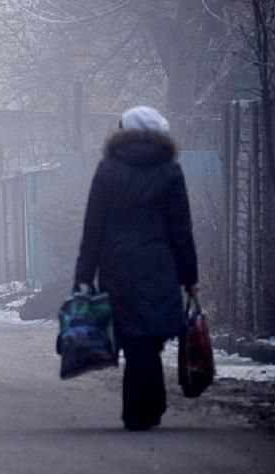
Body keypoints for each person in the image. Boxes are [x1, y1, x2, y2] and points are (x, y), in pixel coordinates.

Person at [74, 105, 198, 431]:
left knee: (131, 337)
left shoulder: (108, 169)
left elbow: (93, 226)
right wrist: (190, 278)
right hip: (159, 265)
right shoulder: (170, 171)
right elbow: (181, 229)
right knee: (151, 338)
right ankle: (150, 407)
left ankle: (137, 410)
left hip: (117, 266)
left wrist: (83, 276)